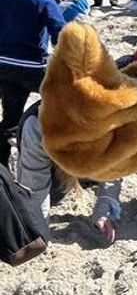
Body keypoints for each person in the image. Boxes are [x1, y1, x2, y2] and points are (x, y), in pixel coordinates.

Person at [16, 99, 124, 245]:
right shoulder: (37, 128)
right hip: (42, 154)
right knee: (47, 199)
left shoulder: (111, 119)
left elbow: (114, 170)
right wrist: (39, 236)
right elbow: (35, 191)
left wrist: (104, 211)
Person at [0, 0, 65, 165]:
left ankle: (2, 163)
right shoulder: (43, 1)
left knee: (10, 116)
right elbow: (61, 35)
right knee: (62, 100)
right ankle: (54, 146)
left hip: (3, 66)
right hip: (33, 66)